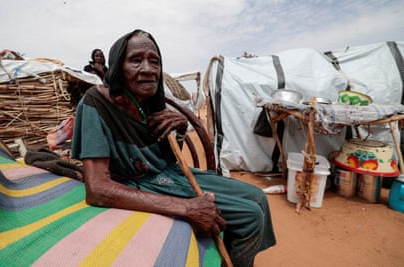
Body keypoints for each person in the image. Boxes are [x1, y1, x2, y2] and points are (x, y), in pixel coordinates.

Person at [71, 29, 276, 267]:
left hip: (168, 174)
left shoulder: (149, 101)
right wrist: (187, 207)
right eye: (136, 60)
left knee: (258, 196)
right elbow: (98, 189)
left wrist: (180, 129)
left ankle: (234, 257)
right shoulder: (95, 104)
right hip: (136, 182)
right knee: (250, 216)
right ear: (117, 66)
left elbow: (166, 157)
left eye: (154, 61)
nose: (148, 69)